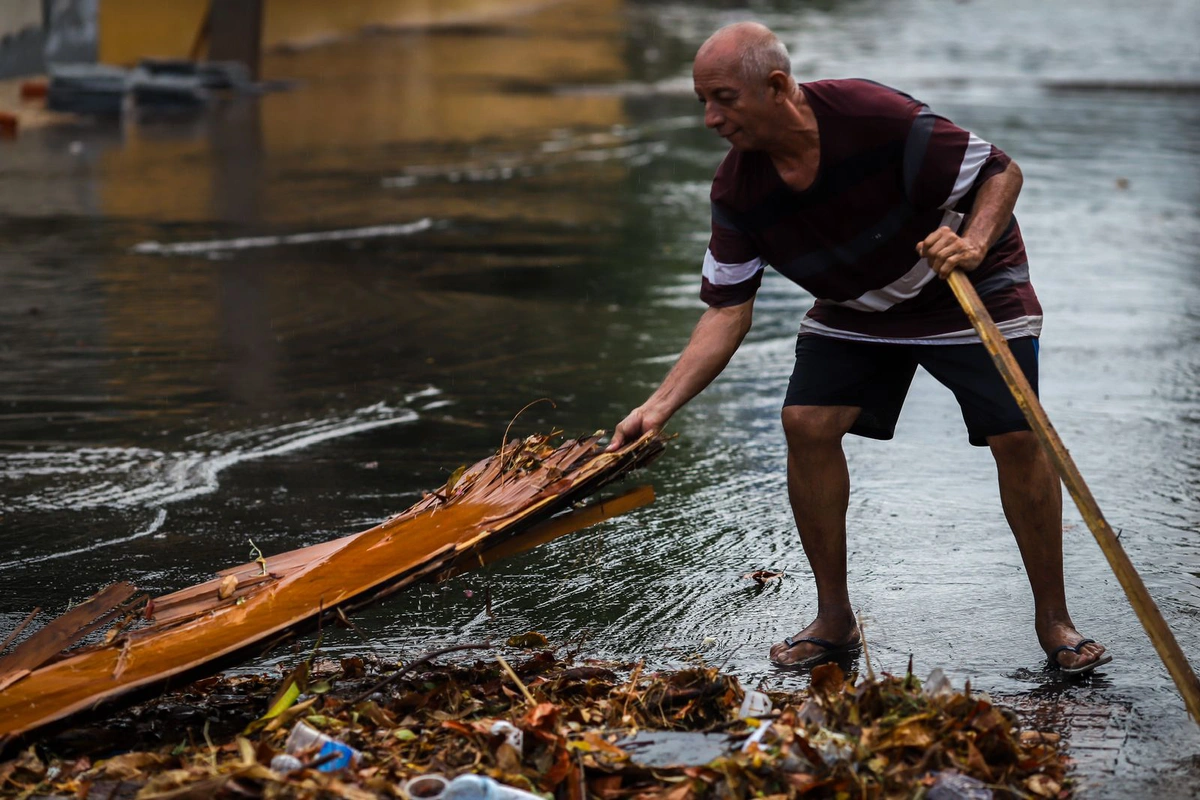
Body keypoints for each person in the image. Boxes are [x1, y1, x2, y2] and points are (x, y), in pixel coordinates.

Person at [606, 22, 1110, 674]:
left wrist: (974, 242)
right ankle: (834, 619)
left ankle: (1055, 621)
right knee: (805, 422)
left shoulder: (872, 115)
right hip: (857, 307)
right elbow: (726, 313)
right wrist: (659, 405)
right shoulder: (739, 191)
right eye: (702, 100)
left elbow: (999, 172)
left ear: (778, 86)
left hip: (964, 285)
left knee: (1017, 435)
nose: (710, 118)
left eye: (724, 98)